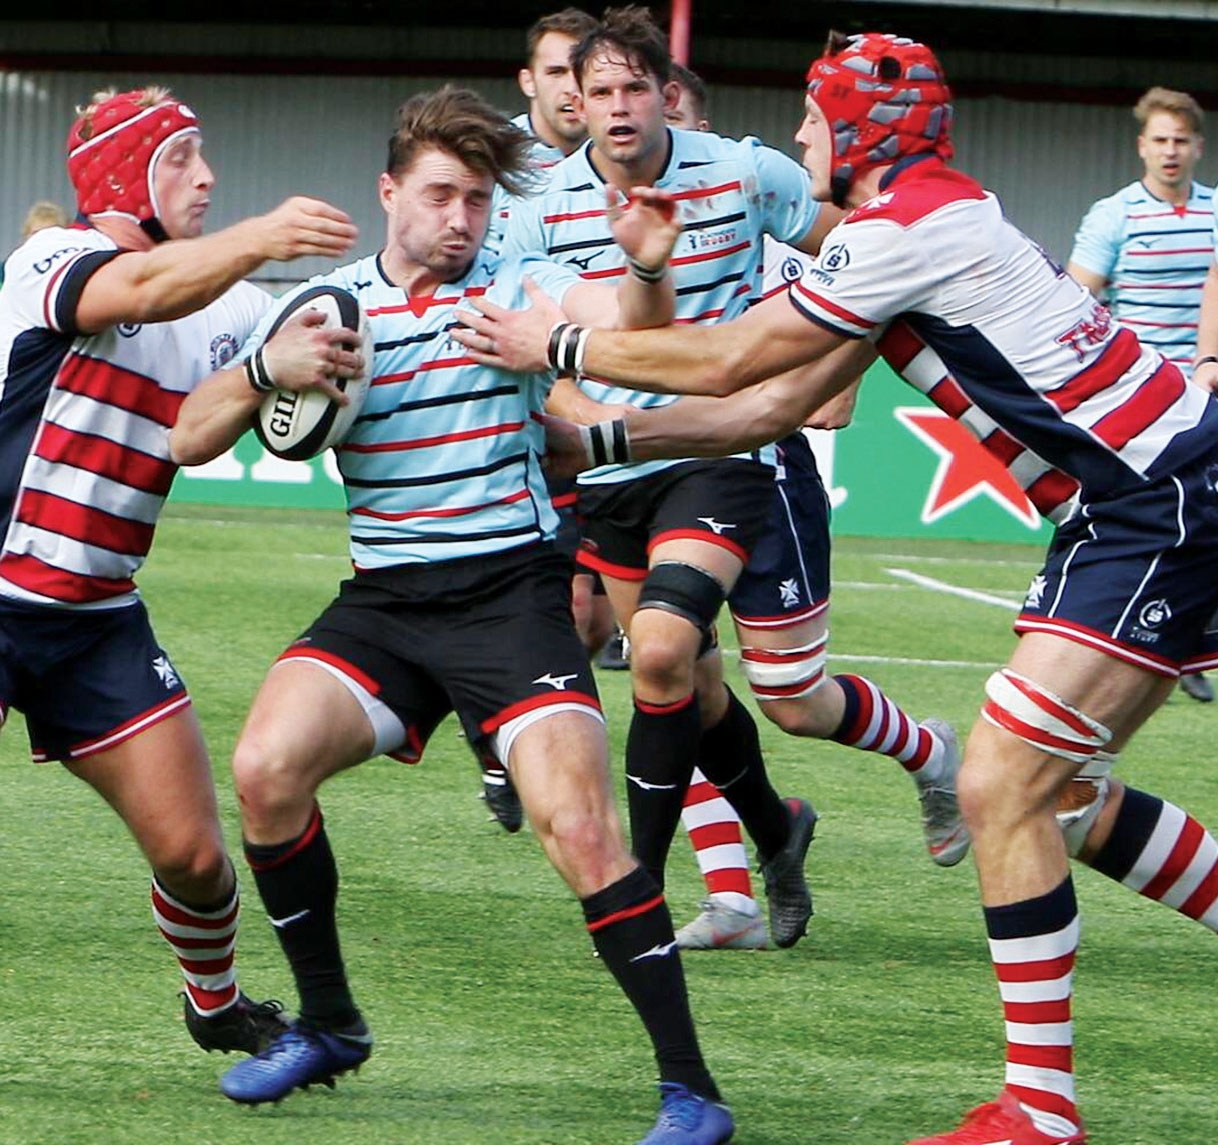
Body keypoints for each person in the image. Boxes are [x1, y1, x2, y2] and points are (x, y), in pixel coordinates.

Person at [456, 30, 1218, 1144]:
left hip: (1159, 499)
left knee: (1001, 783)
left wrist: (559, 344)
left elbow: (729, 359)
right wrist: (605, 441)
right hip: (1143, 498)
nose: (800, 136)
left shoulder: (901, 231)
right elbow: (768, 409)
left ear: (865, 131)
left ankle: (1041, 1114)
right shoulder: (911, 227)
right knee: (1057, 797)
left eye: (815, 118)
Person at [171, 85, 734, 1145]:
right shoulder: (328, 307)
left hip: (510, 598)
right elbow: (188, 437)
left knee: (581, 831)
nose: (461, 218)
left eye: (477, 199)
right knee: (265, 769)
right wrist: (263, 369)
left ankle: (691, 1088)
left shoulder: (518, 287)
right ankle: (330, 1023)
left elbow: (631, 328)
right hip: (384, 603)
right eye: (440, 195)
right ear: (390, 192)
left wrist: (648, 268)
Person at [0, 86, 359, 1062]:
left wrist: (298, 363)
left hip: (96, 618)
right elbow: (147, 290)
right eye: (181, 159)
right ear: (125, 175)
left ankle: (215, 1002)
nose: (207, 177)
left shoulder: (233, 308)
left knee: (196, 856)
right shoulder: (54, 256)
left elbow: (239, 412)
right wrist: (265, 236)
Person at [499, 6, 833, 951]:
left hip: (717, 452)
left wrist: (827, 360)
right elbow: (579, 337)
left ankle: (636, 892)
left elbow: (858, 250)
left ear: (665, 92)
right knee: (696, 684)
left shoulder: (745, 171)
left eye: (633, 88)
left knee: (656, 652)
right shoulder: (539, 207)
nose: (615, 106)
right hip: (613, 464)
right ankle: (777, 826)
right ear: (572, 99)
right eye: (597, 89)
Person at [661, 63, 966, 952]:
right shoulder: (602, 228)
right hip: (657, 473)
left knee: (791, 698)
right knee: (671, 674)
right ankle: (730, 898)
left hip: (762, 468)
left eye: (671, 115)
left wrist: (840, 380)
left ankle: (928, 750)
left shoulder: (765, 207)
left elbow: (865, 293)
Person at [1067, 86, 1215, 704]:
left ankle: (1186, 636)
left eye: (1181, 140)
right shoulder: (1115, 215)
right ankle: (1127, 631)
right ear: (1141, 147)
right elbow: (1077, 295)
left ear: (1198, 147)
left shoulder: (1216, 212)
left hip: (1208, 387)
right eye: (1160, 140)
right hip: (1141, 397)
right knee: (1140, 518)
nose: (1170, 151)